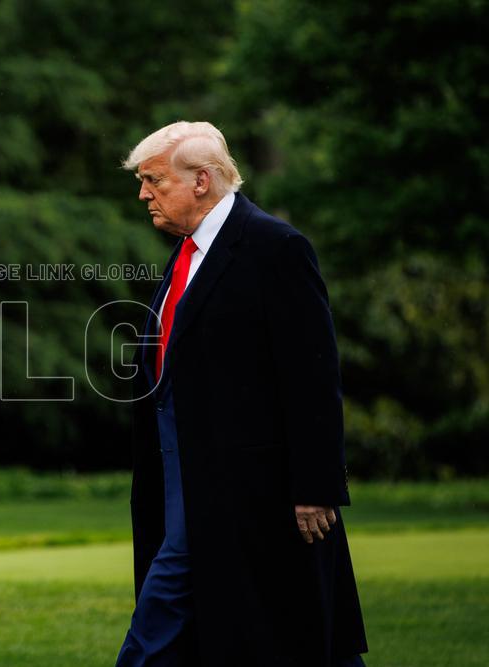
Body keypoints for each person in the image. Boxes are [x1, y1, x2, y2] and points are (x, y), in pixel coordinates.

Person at [116, 121, 369, 667]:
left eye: (154, 180)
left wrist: (316, 483)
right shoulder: (187, 254)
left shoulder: (276, 248)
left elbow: (312, 374)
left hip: (251, 488)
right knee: (292, 638)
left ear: (202, 180)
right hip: (182, 481)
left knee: (163, 626)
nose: (144, 193)